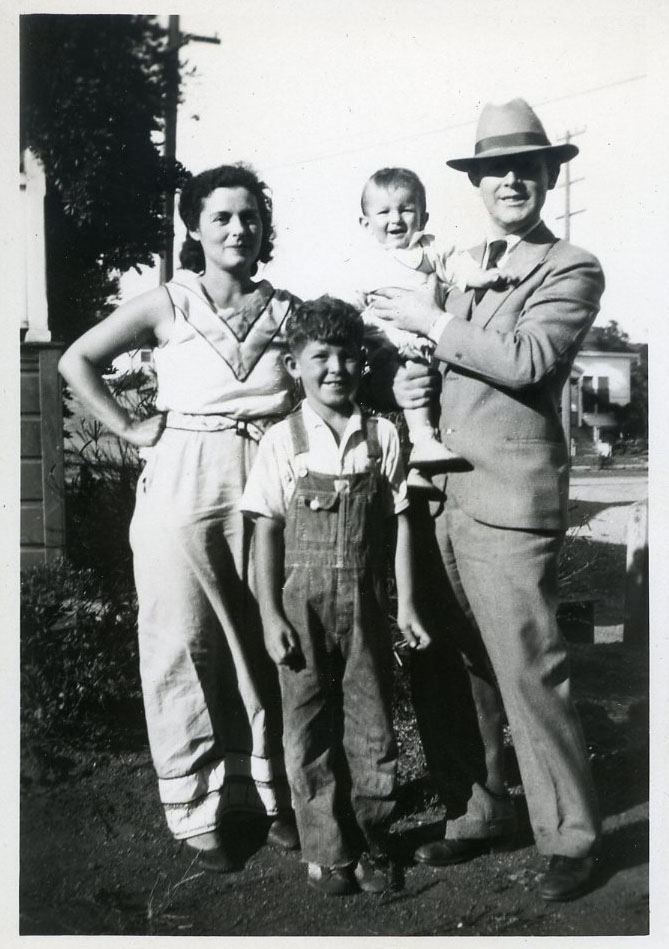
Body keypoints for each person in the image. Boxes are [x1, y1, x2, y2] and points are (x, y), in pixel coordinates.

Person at [368, 98, 604, 901]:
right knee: (448, 669)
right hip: (437, 498)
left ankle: (570, 835)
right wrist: (414, 379)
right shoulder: (463, 262)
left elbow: (528, 358)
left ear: (547, 176)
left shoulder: (569, 265)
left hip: (506, 500)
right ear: (475, 183)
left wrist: (434, 323)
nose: (509, 179)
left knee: (527, 670)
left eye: (524, 167)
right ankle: (481, 807)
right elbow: (448, 362)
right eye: (493, 170)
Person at [59, 163, 302, 871]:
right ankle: (197, 808)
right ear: (194, 227)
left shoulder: (285, 308)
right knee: (182, 637)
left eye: (249, 216)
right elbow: (78, 360)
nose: (237, 228)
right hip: (182, 473)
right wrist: (130, 428)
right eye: (221, 216)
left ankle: (270, 794)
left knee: (264, 635)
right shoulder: (167, 301)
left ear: (265, 227)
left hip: (265, 473)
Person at [240, 296, 431, 895]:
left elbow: (401, 522)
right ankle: (325, 850)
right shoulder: (282, 441)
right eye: (319, 356)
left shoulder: (382, 437)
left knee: (373, 729)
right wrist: (270, 614)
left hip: (369, 610)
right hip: (301, 610)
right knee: (306, 731)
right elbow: (265, 530)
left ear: (362, 364)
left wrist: (408, 604)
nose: (336, 368)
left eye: (347, 356)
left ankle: (372, 841)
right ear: (295, 365)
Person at [339, 167, 513, 493]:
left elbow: (457, 266)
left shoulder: (430, 248)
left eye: (406, 209)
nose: (396, 219)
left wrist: (479, 277)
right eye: (384, 212)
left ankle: (420, 468)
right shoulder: (364, 261)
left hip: (426, 337)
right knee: (410, 385)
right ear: (365, 223)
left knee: (430, 391)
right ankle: (421, 443)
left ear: (423, 216)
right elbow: (351, 305)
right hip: (385, 340)